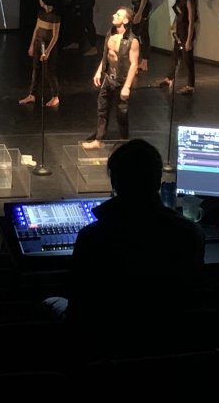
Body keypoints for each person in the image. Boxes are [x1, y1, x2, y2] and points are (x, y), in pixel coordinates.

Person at [63, 139, 205, 345]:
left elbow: (78, 308)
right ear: (158, 181)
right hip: (172, 339)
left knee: (50, 302)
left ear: (114, 181)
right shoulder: (191, 233)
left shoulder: (92, 237)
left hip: (104, 341)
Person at [82, 7, 139, 150]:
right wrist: (99, 71)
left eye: (118, 15)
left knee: (121, 113)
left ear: (125, 20)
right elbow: (106, 55)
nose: (114, 15)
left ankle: (125, 142)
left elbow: (134, 65)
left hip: (121, 80)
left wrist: (127, 86)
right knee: (102, 108)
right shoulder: (111, 33)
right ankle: (99, 139)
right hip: (109, 77)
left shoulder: (132, 41)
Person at [157, 0, 198, 95]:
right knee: (175, 55)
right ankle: (169, 78)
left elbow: (191, 21)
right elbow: (178, 15)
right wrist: (174, 27)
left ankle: (190, 86)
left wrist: (189, 40)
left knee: (187, 59)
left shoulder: (189, 0)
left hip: (186, 32)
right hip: (179, 31)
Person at [18, 0, 61, 108]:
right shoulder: (41, 13)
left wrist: (47, 51)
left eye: (41, 0)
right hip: (38, 43)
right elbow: (36, 29)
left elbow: (55, 36)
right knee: (36, 69)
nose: (39, 1)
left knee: (49, 71)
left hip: (48, 45)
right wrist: (32, 45)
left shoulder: (55, 16)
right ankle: (32, 95)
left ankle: (55, 97)